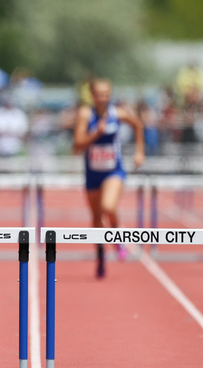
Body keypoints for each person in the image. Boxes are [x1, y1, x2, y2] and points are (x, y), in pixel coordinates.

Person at [73, 78, 145, 278]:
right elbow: (78, 145)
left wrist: (140, 151)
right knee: (96, 219)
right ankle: (100, 257)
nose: (103, 98)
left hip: (114, 171)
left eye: (106, 94)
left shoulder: (117, 113)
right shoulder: (85, 114)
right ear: (92, 96)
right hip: (92, 173)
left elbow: (138, 124)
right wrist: (96, 133)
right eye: (99, 94)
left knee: (108, 207)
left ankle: (118, 239)